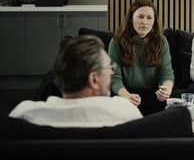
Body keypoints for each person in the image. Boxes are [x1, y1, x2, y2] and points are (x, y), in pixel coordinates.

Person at [9, 35, 143, 127]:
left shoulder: (23, 114)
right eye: (109, 67)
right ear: (94, 79)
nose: (112, 72)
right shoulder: (125, 112)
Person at [108, 0, 175, 116]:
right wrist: (127, 96)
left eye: (149, 18)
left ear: (154, 22)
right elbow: (114, 77)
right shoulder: (116, 42)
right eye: (140, 16)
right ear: (130, 19)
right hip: (125, 92)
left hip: (152, 93)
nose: (144, 21)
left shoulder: (161, 41)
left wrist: (166, 89)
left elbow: (167, 73)